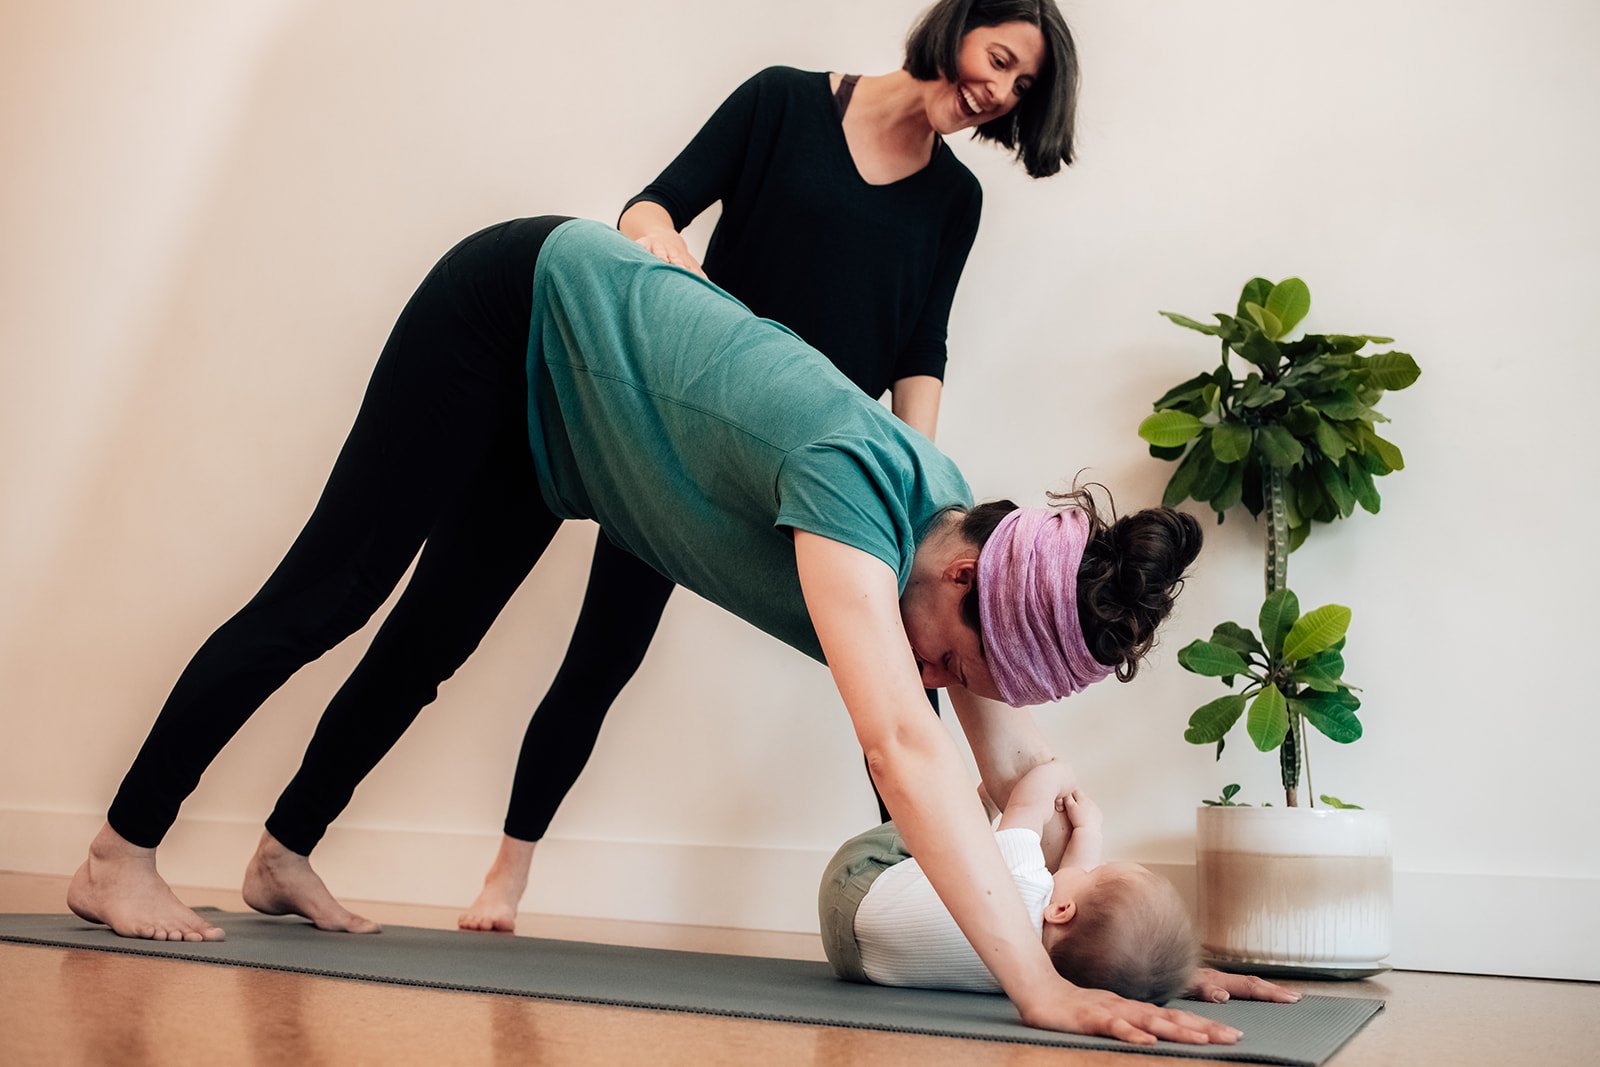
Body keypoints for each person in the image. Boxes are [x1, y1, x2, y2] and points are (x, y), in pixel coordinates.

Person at [69, 217, 1239, 1044]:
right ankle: (118, 853)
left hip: (567, 427)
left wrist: (1144, 950)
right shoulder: (853, 483)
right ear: (967, 566)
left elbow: (1019, 771)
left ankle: (280, 857)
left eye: (954, 669)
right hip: (513, 307)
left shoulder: (956, 556)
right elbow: (903, 743)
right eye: (950, 654)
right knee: (329, 592)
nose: (937, 674)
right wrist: (1034, 987)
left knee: (429, 644)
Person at [461, 0, 1083, 932]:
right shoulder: (782, 104)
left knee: (915, 685)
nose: (997, 92)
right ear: (954, 28)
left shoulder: (956, 201)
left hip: (831, 473)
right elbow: (653, 205)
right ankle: (504, 879)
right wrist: (656, 254)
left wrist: (928, 479)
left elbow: (922, 344)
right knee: (602, 653)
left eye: (1020, 87)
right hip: (692, 431)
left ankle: (946, 903)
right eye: (998, 59)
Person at [825, 764, 1249, 1003]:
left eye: (1096, 871)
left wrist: (1055, 772)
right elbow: (1071, 879)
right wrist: (1089, 834)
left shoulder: (1020, 885)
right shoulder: (1041, 973)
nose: (1087, 865)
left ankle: (975, 798)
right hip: (857, 965)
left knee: (966, 824)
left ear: (1061, 910)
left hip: (859, 878)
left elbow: (1027, 799)